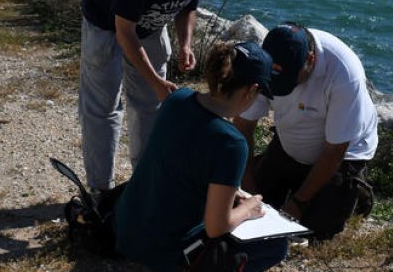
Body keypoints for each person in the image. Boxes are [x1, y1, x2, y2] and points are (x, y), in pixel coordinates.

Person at [113, 42, 289, 272]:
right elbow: (217, 227)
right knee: (276, 247)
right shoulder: (231, 142)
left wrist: (231, 191)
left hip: (126, 229)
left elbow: (184, 163)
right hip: (163, 252)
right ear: (250, 91)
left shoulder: (178, 99)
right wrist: (249, 208)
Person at [79, 0, 233, 193]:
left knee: (149, 105)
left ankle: (144, 184)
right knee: (104, 108)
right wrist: (156, 81)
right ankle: (100, 191)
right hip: (106, 24)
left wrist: (185, 44)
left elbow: (188, 8)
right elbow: (124, 33)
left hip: (150, 26)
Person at [235, 23, 379, 240]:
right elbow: (243, 126)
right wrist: (247, 187)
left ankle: (355, 193)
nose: (284, 88)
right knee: (251, 205)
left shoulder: (343, 73)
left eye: (290, 80)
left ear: (311, 59)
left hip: (341, 156)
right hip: (290, 141)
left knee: (314, 230)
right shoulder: (268, 58)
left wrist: (298, 204)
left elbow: (335, 150)